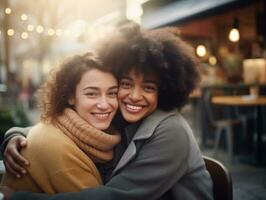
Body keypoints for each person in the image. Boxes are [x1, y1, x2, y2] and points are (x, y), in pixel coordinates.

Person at [1, 22, 213, 200]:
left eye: (148, 87)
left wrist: (21, 198)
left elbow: (115, 197)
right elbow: (64, 127)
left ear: (165, 91)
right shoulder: (121, 115)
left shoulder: (172, 132)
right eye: (126, 84)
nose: (135, 96)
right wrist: (16, 135)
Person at [1, 52, 121, 193]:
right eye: (91, 94)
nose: (104, 104)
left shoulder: (70, 130)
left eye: (112, 93)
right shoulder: (57, 146)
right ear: (70, 96)